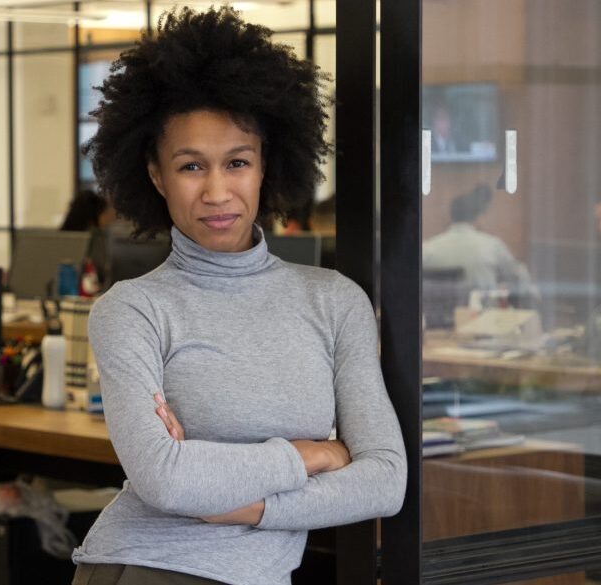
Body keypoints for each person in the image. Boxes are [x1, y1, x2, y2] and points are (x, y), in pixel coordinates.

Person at [73, 8, 406, 585]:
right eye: (190, 166)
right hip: (146, 567)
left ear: (264, 167)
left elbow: (385, 480)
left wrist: (253, 508)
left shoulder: (334, 301)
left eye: (237, 163)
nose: (217, 191)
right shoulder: (132, 310)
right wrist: (314, 454)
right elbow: (165, 479)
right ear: (155, 175)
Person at [422, 184, 537, 299]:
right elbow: (519, 277)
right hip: (483, 310)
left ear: (451, 216)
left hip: (435, 311)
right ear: (478, 216)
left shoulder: (427, 249)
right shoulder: (492, 246)